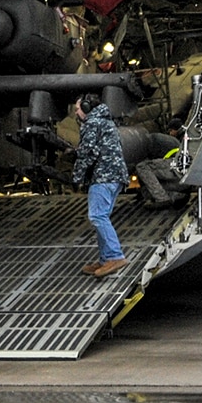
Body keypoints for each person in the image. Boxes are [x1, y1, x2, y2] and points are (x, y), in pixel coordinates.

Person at [72, 93, 128, 277]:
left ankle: (115, 256)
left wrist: (76, 178)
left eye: (78, 108)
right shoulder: (106, 121)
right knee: (101, 216)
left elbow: (87, 154)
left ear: (87, 108)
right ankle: (105, 259)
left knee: (97, 216)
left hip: (103, 176)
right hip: (115, 176)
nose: (76, 112)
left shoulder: (92, 123)